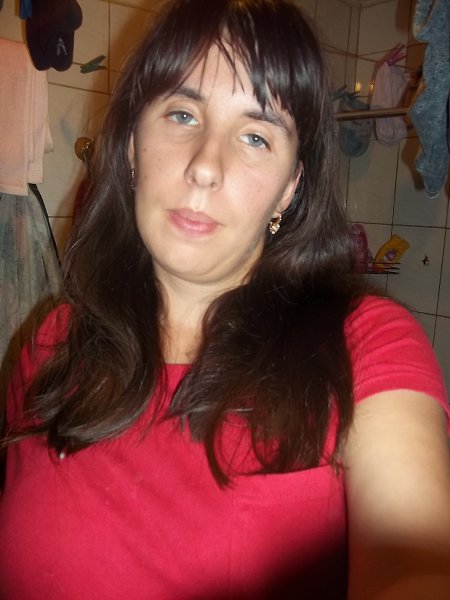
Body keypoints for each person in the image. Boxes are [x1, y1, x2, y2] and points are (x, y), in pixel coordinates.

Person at [0, 0, 449, 598]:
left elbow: (414, 568)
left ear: (290, 188)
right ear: (132, 145)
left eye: (256, 137)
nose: (206, 166)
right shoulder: (52, 342)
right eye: (183, 114)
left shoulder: (365, 343)